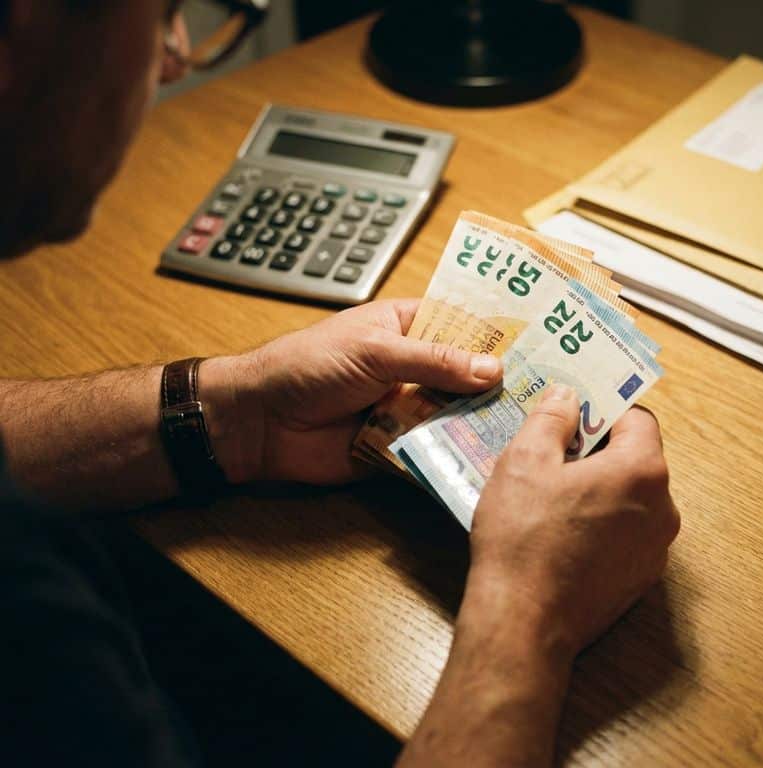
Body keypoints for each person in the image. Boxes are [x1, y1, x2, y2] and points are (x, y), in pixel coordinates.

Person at [0, 1, 679, 766]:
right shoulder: (25, 614)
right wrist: (530, 614)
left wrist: (237, 411)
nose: (175, 59)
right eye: (162, 11)